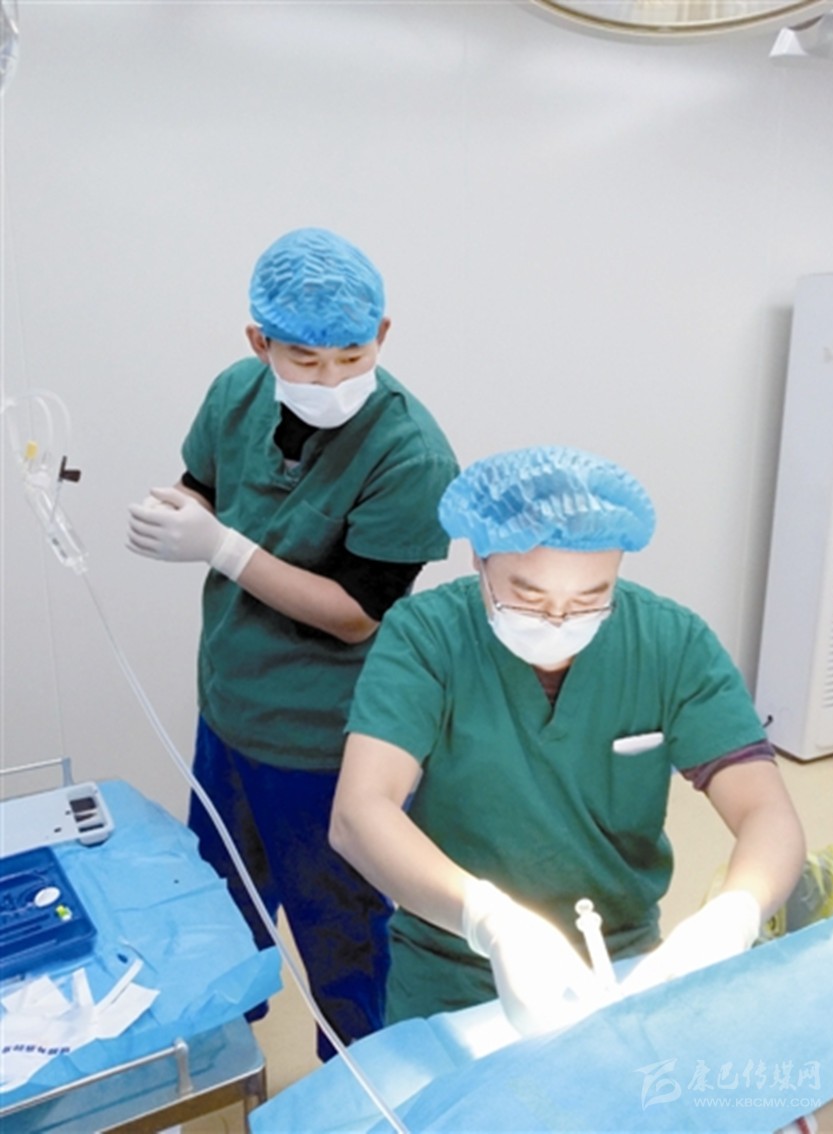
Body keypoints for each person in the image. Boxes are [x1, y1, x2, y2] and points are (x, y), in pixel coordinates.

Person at [329, 445, 806, 1037]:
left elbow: (767, 813)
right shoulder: (427, 637)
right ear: (480, 558)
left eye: (588, 600)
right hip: (451, 959)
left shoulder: (670, 643)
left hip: (623, 960)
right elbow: (359, 812)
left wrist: (732, 916)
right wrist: (490, 922)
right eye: (529, 597)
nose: (557, 621)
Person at [127, 227, 459, 1058]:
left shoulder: (409, 453)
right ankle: (220, 1066)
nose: (331, 380)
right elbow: (204, 487)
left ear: (383, 335)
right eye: (305, 360)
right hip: (231, 713)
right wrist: (177, 514)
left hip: (328, 741)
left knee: (340, 929)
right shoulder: (234, 394)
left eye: (352, 356)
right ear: (260, 342)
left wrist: (221, 548)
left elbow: (356, 612)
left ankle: (360, 1085)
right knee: (220, 910)